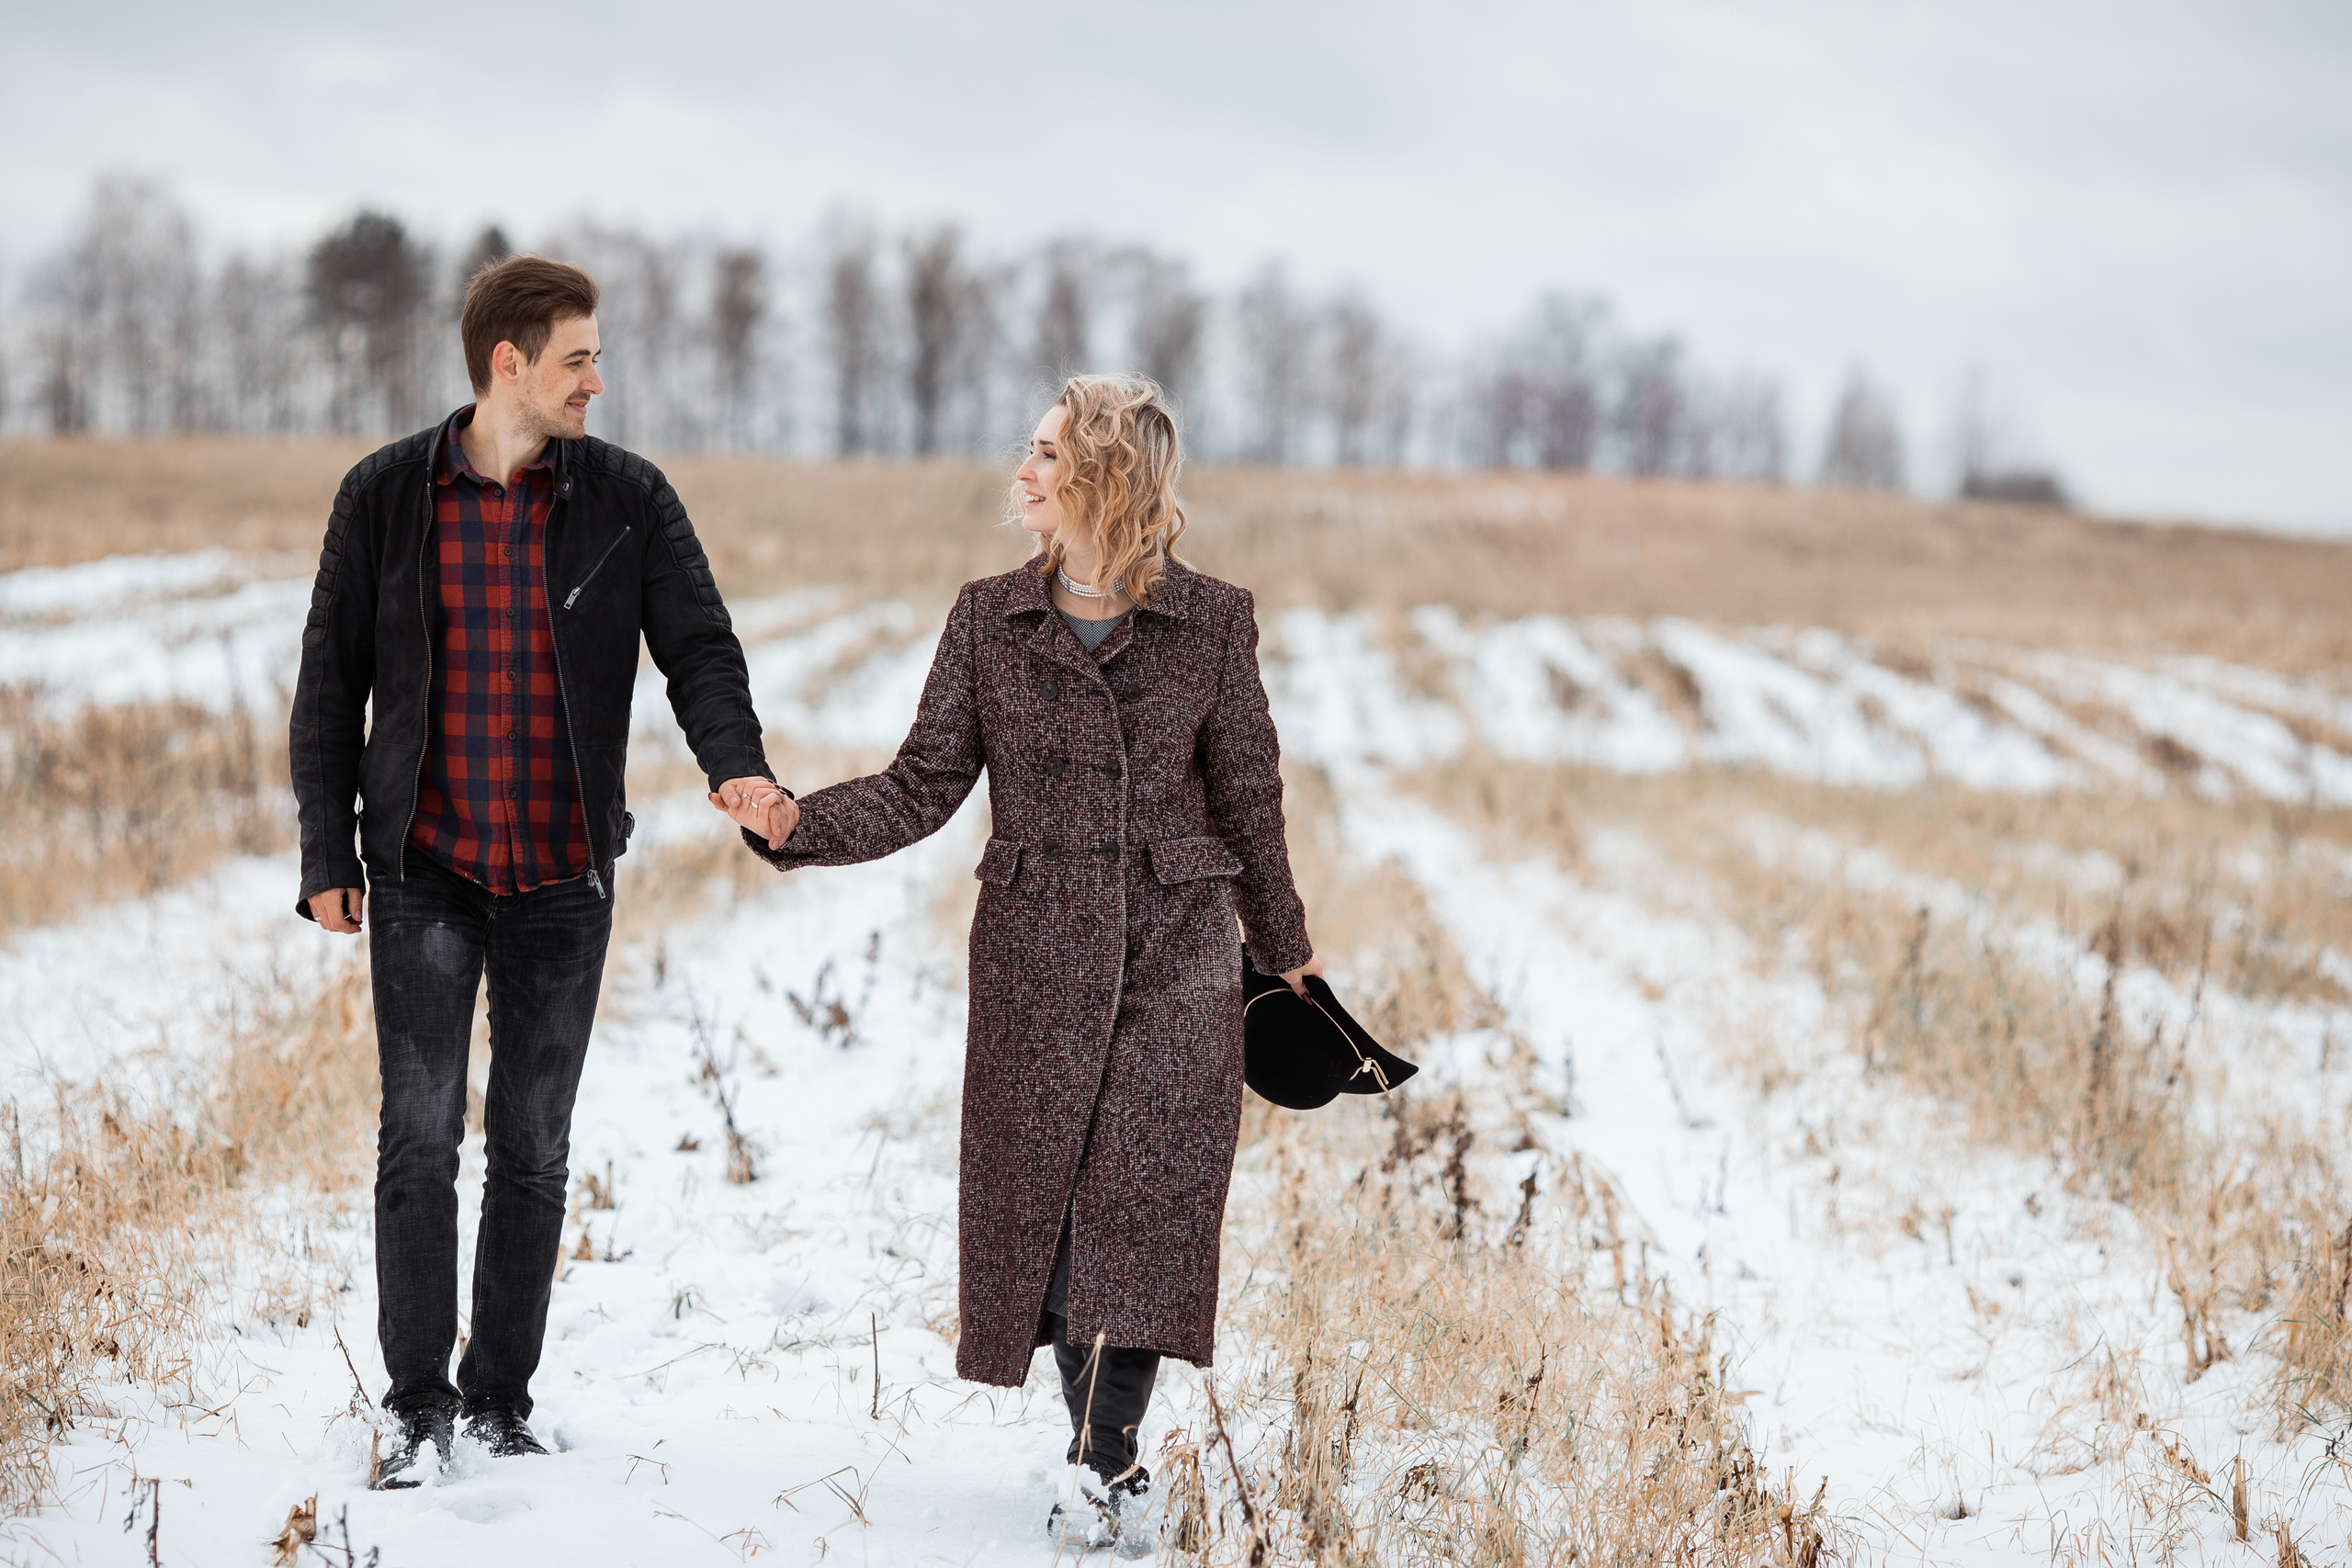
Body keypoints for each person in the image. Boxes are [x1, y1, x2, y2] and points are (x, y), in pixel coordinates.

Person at [726, 373, 1319, 1550]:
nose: (1024, 470)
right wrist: (798, 825)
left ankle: (1104, 1463)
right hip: (1035, 952)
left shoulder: (1214, 621)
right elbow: (923, 785)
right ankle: (1093, 1452)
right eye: (1029, 450)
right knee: (1048, 1211)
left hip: (1178, 947)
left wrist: (1285, 953)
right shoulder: (987, 617)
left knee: (1141, 1208)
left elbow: (1250, 796)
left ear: (1104, 471)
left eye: (1048, 453)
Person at [290, 254, 797, 1486]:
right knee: (419, 1138)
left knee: (531, 1143)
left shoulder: (626, 497)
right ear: (508, 363)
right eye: (578, 357)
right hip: (424, 863)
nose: (597, 380)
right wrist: (326, 846)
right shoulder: (382, 496)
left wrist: (738, 765)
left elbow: (700, 645)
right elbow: (329, 681)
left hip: (564, 875)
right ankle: (415, 1409)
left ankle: (498, 1400)